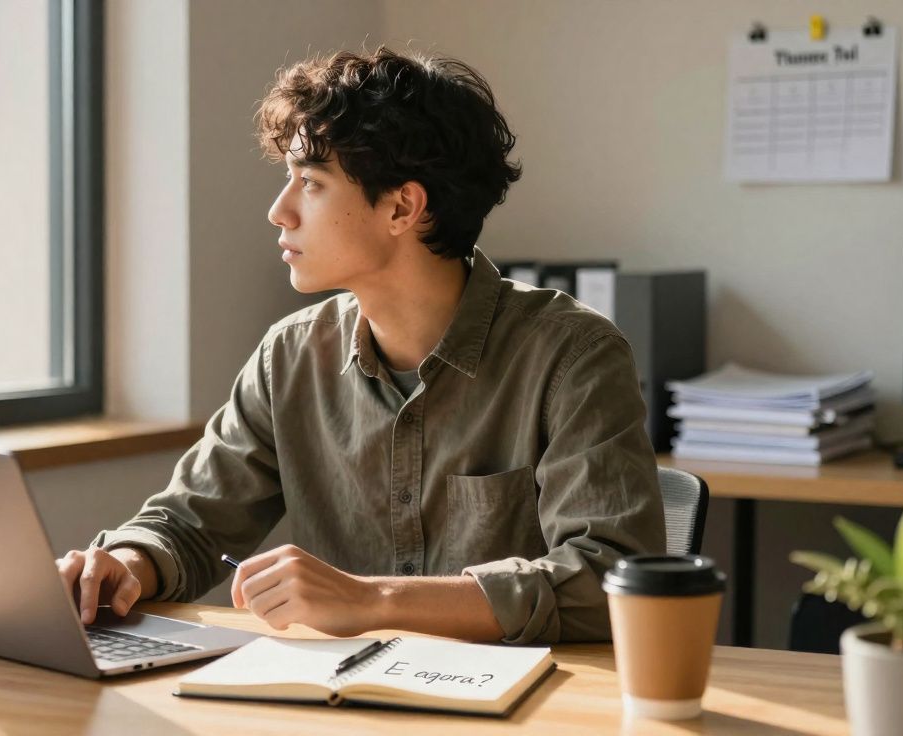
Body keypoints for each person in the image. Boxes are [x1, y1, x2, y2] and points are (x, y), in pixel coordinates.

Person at [56, 47, 664, 644]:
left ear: (402, 206)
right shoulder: (289, 357)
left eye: (311, 183)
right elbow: (189, 524)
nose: (279, 211)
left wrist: (371, 600)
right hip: (340, 701)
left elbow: (609, 579)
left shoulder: (572, 356)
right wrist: (127, 563)